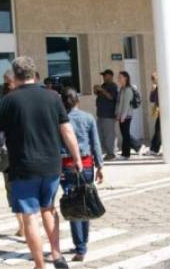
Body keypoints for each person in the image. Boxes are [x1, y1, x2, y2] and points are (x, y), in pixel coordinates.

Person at [0, 56, 82, 269]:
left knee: (29, 216)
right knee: (49, 209)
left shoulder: (9, 100)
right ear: (33, 73)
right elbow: (66, 129)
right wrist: (76, 157)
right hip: (51, 165)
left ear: (15, 75)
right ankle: (56, 255)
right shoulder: (53, 97)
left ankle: (39, 264)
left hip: (23, 167)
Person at [60, 87, 104, 262]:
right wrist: (100, 166)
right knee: (85, 201)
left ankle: (80, 246)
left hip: (67, 165)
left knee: (73, 204)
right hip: (86, 165)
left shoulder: (60, 120)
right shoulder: (88, 118)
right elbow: (96, 143)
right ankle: (83, 242)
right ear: (77, 100)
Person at [0, 69, 25, 237]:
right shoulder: (22, 99)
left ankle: (23, 226)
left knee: (14, 190)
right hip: (20, 153)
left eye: (6, 82)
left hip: (12, 154)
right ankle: (23, 225)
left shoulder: (7, 102)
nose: (4, 85)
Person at [93, 69, 119, 160]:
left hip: (108, 114)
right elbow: (98, 94)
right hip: (100, 114)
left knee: (109, 135)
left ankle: (111, 153)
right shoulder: (104, 85)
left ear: (111, 76)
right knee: (99, 134)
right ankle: (102, 152)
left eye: (105, 75)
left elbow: (111, 97)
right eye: (103, 75)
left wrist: (102, 90)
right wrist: (96, 90)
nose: (103, 77)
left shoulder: (113, 86)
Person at [115, 71, 136, 160]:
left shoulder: (128, 89)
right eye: (118, 77)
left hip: (126, 116)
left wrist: (122, 116)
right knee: (124, 134)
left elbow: (126, 104)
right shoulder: (122, 89)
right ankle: (125, 153)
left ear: (125, 78)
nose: (118, 79)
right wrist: (117, 114)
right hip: (122, 116)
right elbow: (119, 103)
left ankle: (126, 154)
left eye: (120, 77)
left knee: (125, 135)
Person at [147, 72, 161, 156]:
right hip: (159, 111)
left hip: (162, 111)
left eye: (154, 78)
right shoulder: (156, 87)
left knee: (158, 130)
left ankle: (155, 149)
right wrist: (152, 91)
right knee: (157, 129)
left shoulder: (161, 86)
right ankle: (153, 148)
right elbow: (151, 99)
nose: (153, 80)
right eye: (152, 79)